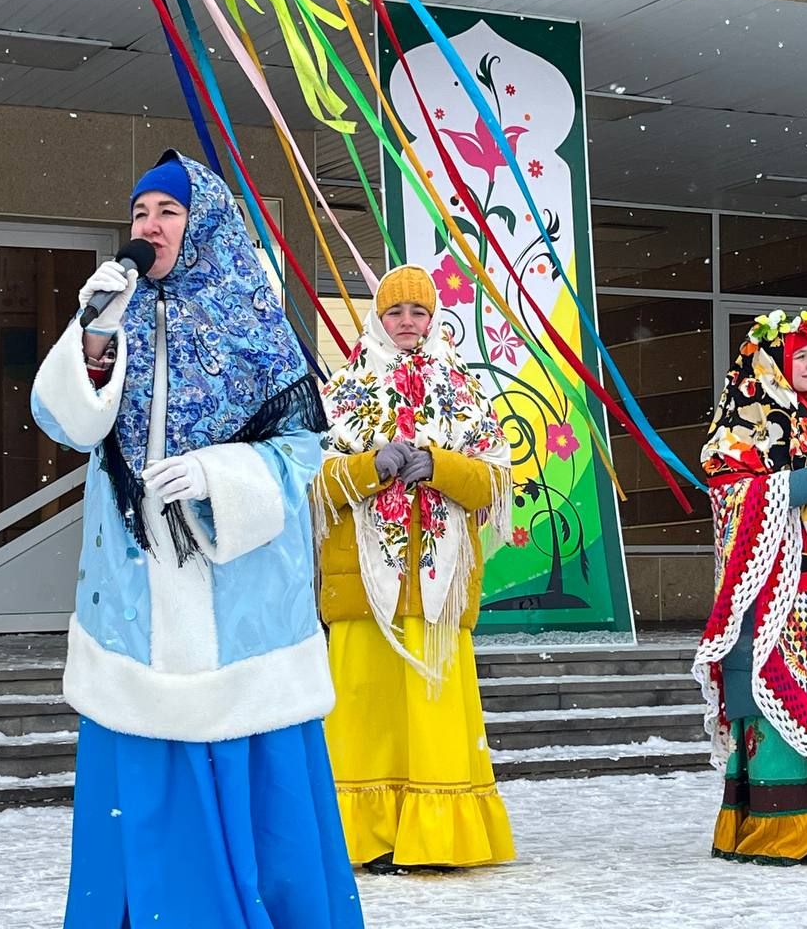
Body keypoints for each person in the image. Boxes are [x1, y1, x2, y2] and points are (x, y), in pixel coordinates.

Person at [30, 150, 364, 927]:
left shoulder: (255, 318)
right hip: (136, 594)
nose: (148, 227)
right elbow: (68, 423)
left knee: (246, 764)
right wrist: (92, 338)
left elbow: (303, 454)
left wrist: (219, 475)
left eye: (167, 212)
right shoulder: (115, 312)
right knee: (140, 751)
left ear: (204, 223)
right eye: (140, 212)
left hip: (237, 593)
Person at [313, 263, 516, 874]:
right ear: (379, 316)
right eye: (396, 312)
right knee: (363, 715)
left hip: (439, 584)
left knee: (432, 716)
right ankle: (366, 838)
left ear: (434, 318)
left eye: (418, 312)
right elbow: (314, 483)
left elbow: (496, 480)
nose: (407, 323)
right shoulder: (344, 389)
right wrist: (369, 466)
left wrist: (441, 465)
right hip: (362, 586)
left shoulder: (464, 390)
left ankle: (435, 838)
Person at [692, 307, 807, 867]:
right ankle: (780, 828)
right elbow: (729, 498)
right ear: (772, 359)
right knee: (777, 703)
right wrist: (797, 484)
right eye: (800, 354)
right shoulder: (744, 418)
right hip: (775, 591)